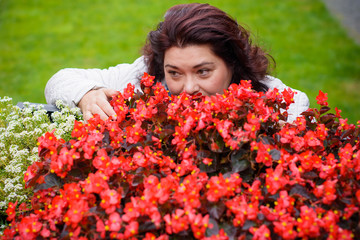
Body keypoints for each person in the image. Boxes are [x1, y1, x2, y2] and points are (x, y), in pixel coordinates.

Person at [45, 3, 309, 122]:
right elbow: (60, 80)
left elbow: (298, 106)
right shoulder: (142, 77)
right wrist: (87, 95)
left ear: (232, 63)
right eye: (175, 73)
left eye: (203, 71)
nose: (188, 88)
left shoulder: (275, 98)